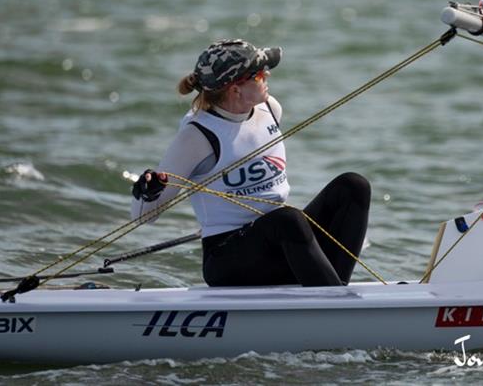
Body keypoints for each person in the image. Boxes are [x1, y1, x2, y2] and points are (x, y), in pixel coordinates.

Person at [131, 39, 370, 287]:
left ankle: (336, 293)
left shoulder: (270, 108)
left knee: (353, 186)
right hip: (227, 259)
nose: (267, 75)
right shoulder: (196, 137)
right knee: (288, 219)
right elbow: (143, 218)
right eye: (258, 74)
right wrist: (146, 193)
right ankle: (332, 303)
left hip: (280, 242)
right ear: (235, 90)